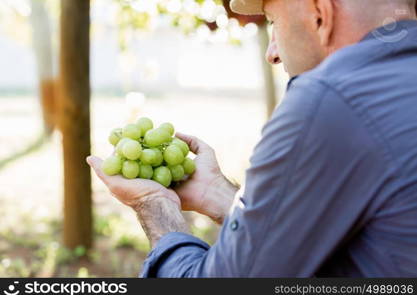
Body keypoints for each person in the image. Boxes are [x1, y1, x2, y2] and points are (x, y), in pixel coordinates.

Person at [87, 0, 417, 277]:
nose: (271, 52)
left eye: (274, 21)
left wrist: (156, 209)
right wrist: (216, 194)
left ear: (320, 14)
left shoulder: (331, 100)